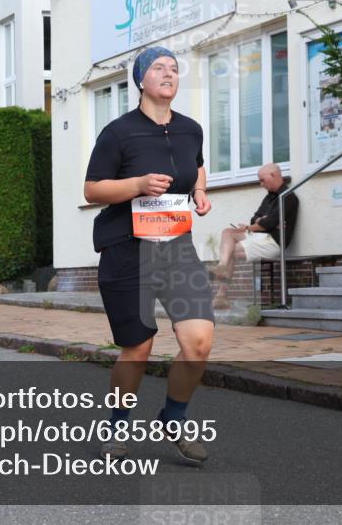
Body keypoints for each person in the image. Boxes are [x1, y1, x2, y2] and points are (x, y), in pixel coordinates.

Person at [83, 46, 214, 465]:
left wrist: (199, 192)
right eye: (158, 67)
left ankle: (172, 419)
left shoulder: (191, 129)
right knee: (138, 347)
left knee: (198, 342)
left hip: (176, 246)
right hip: (127, 249)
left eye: (174, 69)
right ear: (141, 79)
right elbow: (92, 189)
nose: (168, 73)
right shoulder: (118, 132)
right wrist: (138, 183)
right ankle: (118, 426)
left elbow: (197, 165)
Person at [210, 163, 299, 308]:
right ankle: (222, 267)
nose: (261, 184)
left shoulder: (288, 197)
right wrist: (262, 222)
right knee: (228, 232)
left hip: (273, 242)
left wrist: (261, 223)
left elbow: (267, 223)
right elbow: (256, 219)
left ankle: (221, 295)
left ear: (274, 175)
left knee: (231, 249)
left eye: (263, 180)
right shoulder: (269, 198)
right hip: (260, 237)